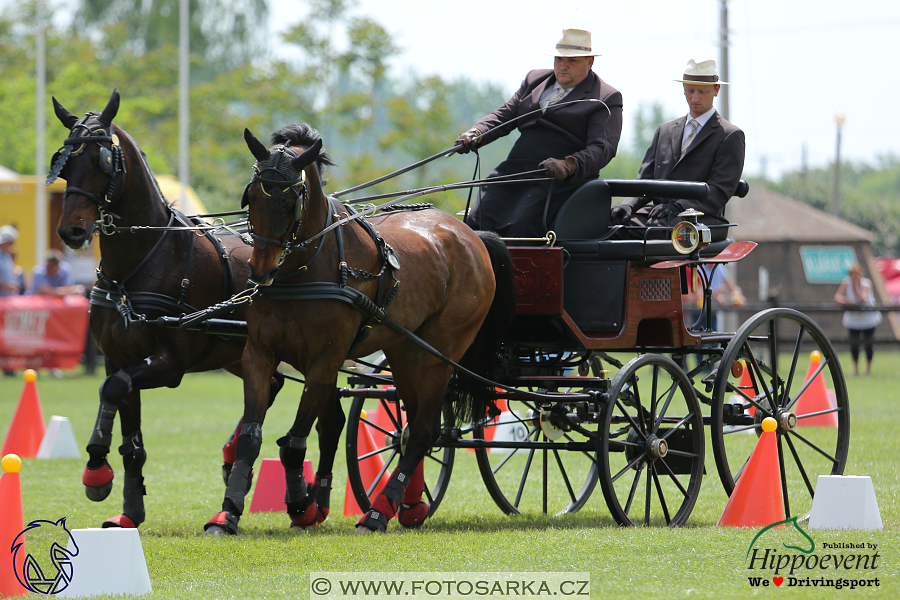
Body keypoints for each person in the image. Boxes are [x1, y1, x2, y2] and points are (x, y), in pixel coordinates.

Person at [456, 28, 623, 238]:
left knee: (521, 225)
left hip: (558, 178)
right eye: (559, 59)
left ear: (590, 62)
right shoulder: (535, 79)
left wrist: (568, 164)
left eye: (572, 61)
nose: (563, 66)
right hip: (516, 168)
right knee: (477, 219)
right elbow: (505, 114)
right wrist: (476, 132)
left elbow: (602, 148)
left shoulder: (606, 97)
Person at [609, 59, 745, 240]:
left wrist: (680, 206)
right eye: (690, 90)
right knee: (607, 225)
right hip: (657, 215)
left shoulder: (729, 135)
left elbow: (719, 191)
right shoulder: (664, 131)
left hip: (700, 218)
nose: (695, 98)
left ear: (716, 90)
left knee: (659, 230)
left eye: (702, 92)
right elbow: (645, 181)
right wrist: (627, 205)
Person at [834, 264, 881, 376]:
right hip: (854, 320)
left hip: (868, 319)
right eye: (853, 276)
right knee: (854, 345)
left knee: (868, 344)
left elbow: (862, 299)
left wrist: (855, 288)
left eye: (857, 275)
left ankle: (868, 370)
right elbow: (837, 296)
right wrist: (846, 301)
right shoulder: (846, 283)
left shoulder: (867, 284)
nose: (854, 278)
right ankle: (856, 370)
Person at [0, 225, 21, 296]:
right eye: (11, 243)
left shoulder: (7, 256)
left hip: (7, 299)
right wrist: (6, 286)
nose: (12, 245)